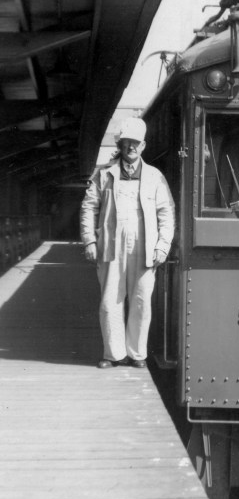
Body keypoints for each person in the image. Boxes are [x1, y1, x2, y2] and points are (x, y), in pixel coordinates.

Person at [80, 116, 175, 369]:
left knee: (141, 301)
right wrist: (89, 241)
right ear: (120, 145)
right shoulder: (104, 174)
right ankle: (113, 354)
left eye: (136, 142)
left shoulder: (155, 176)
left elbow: (166, 213)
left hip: (145, 247)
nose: (131, 147)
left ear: (143, 146)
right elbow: (89, 208)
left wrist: (162, 246)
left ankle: (137, 354)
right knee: (110, 301)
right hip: (110, 246)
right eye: (126, 142)